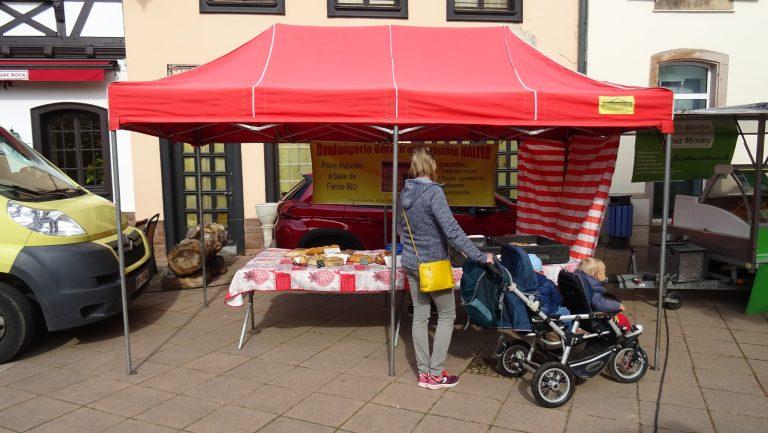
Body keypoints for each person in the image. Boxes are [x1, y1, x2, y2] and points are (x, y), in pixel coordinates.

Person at [399, 147, 493, 390]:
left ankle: (423, 374)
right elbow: (452, 231)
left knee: (420, 317)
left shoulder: (405, 193)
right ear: (431, 165)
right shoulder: (433, 193)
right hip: (432, 265)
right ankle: (436, 373)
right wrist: (479, 256)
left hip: (411, 262)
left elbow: (402, 230)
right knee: (447, 315)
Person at [528, 254, 571, 320]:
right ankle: (571, 329)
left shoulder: (519, 283)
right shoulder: (548, 283)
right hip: (549, 313)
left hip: (528, 315)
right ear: (541, 271)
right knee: (566, 312)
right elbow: (558, 300)